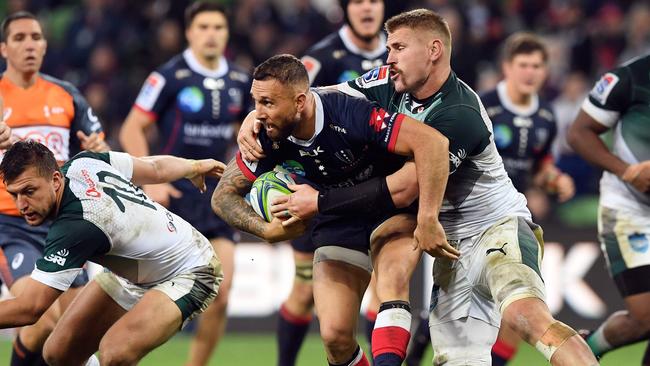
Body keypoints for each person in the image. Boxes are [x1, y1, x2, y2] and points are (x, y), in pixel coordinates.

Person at [239, 9, 598, 366]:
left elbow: (406, 188)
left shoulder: (459, 112)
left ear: (434, 50)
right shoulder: (387, 82)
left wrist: (319, 201)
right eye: (389, 48)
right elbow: (323, 96)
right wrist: (258, 114)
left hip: (495, 228)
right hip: (450, 244)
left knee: (529, 318)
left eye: (398, 48)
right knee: (458, 359)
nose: (388, 58)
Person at [213, 54, 453, 366]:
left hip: (389, 208)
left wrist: (429, 215)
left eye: (268, 103)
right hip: (337, 222)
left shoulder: (352, 113)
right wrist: (266, 230)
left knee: (392, 282)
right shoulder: (265, 134)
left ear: (300, 102)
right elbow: (223, 196)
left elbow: (432, 143)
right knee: (336, 337)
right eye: (255, 102)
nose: (258, 114)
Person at [404, 32, 577, 366]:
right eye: (523, 65)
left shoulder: (546, 116)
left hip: (508, 219)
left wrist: (553, 180)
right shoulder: (481, 106)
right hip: (465, 218)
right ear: (507, 68)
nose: (531, 72)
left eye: (538, 66)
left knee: (513, 313)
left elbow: (539, 165)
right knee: (447, 309)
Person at [0, 140, 225, 365]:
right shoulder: (84, 162)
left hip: (189, 269)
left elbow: (30, 309)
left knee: (115, 353)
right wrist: (193, 167)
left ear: (56, 180)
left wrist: (194, 166)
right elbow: (153, 168)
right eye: (15, 194)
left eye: (29, 191)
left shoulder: (77, 225)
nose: (22, 205)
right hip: (134, 272)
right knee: (57, 353)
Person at [119, 3, 251, 365]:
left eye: (218, 27)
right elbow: (133, 127)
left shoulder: (240, 82)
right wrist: (151, 182)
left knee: (221, 293)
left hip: (216, 195)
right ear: (189, 32)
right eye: (204, 26)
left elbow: (249, 133)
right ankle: (120, 351)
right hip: (173, 195)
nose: (211, 33)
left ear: (226, 34)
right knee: (147, 292)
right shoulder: (169, 76)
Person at [274, 1, 388, 364]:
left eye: (374, 0)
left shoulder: (397, 54)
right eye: (358, 1)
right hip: (317, 190)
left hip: (377, 188)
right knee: (304, 290)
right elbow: (283, 105)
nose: (367, 8)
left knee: (385, 290)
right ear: (345, 9)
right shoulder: (322, 58)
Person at [0, 11, 109, 366]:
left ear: (45, 46)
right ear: (4, 49)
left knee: (70, 329)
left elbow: (98, 150)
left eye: (35, 37)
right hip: (11, 224)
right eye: (19, 38)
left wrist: (97, 148)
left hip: (62, 222)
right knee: (40, 315)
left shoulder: (66, 95)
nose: (29, 45)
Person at [568, 54, 650, 364]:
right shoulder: (632, 77)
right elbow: (579, 133)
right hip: (630, 209)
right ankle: (587, 347)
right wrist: (628, 172)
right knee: (645, 319)